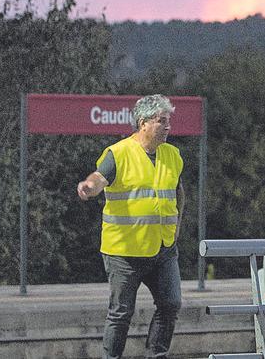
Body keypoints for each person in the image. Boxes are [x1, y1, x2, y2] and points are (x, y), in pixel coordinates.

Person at [76, 94, 184, 359]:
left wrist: (177, 226)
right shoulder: (119, 153)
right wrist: (89, 187)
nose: (168, 127)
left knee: (170, 304)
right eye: (161, 121)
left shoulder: (172, 155)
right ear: (143, 123)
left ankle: (156, 354)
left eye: (168, 121)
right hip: (124, 252)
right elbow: (99, 177)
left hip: (163, 248)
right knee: (121, 313)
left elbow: (179, 192)